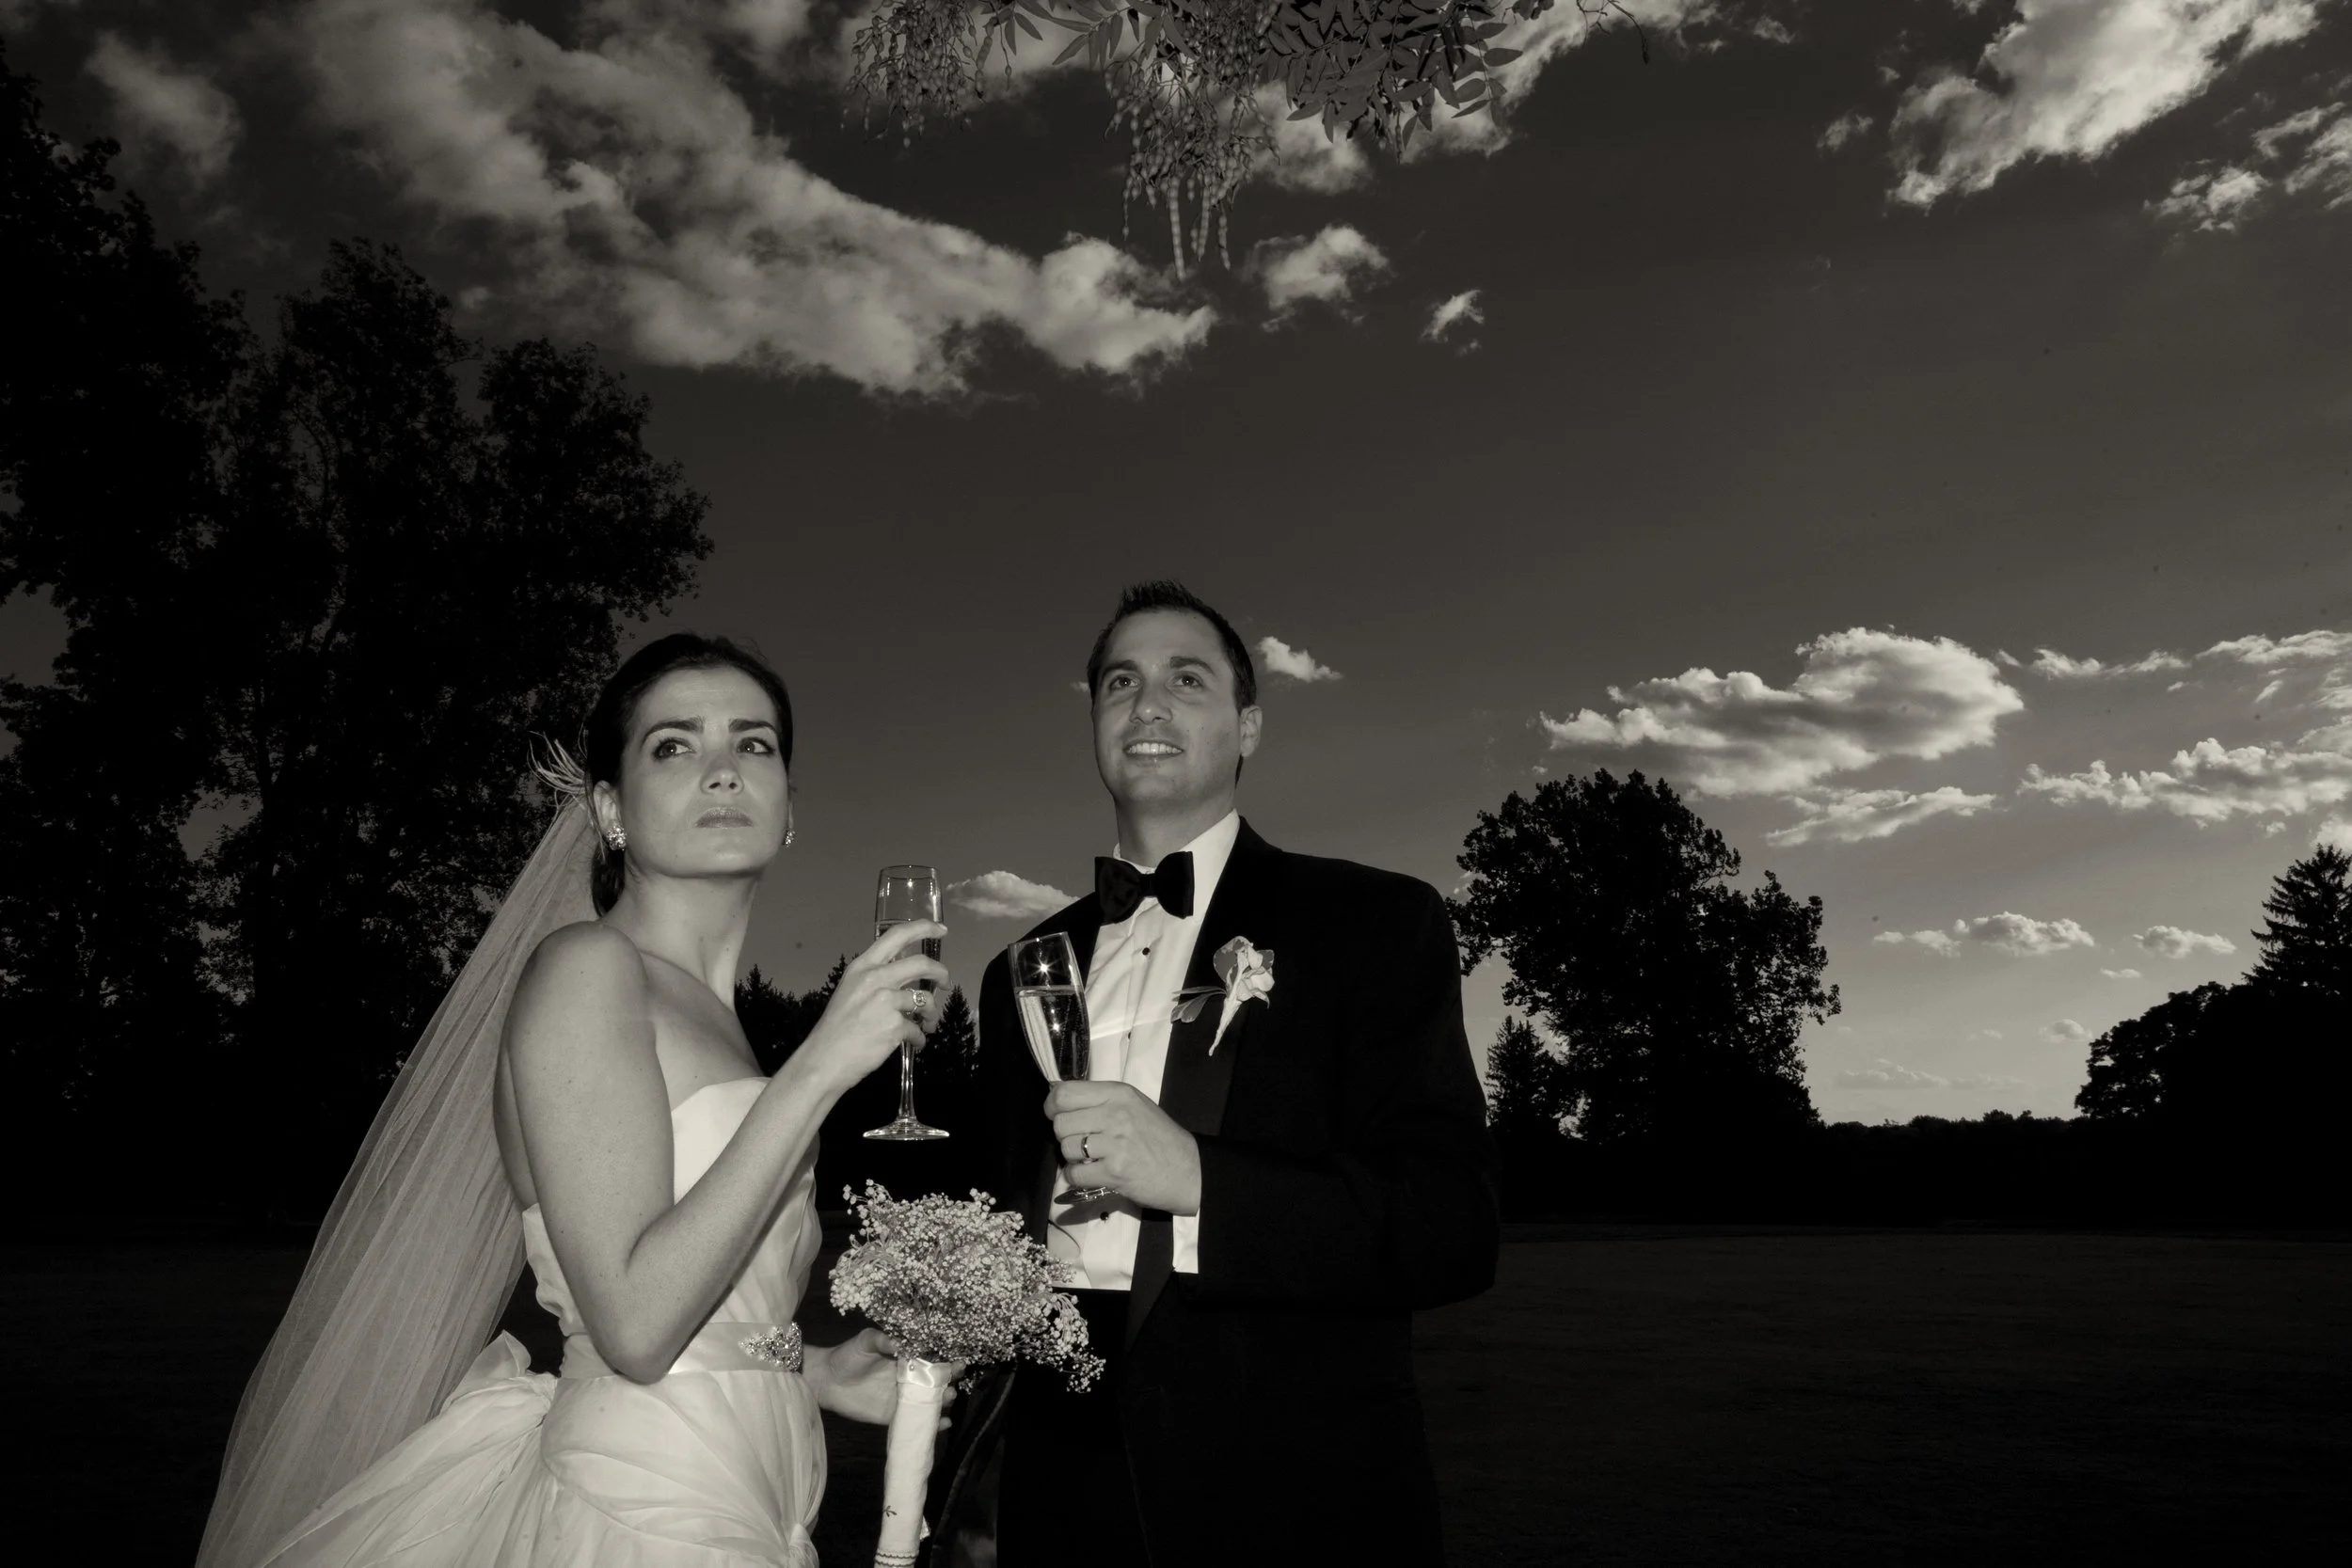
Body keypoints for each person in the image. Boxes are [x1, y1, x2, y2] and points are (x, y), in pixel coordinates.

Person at [198, 634, 949, 1567]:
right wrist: (819, 1068)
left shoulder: (715, 1020)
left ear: (790, 807)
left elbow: (717, 1306)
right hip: (640, 1511)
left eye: (754, 744)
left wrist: (817, 1364)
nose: (723, 769)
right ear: (608, 809)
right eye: (674, 746)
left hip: (752, 1491)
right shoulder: (587, 970)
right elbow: (633, 1324)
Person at [930, 582, 1500, 1566]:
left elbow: (1448, 1227)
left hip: (1280, 1490)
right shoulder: (1017, 964)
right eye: (1120, 682)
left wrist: (1199, 1179)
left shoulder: (1371, 923)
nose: (1146, 704)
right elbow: (999, 1213)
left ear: (1247, 727)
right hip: (1046, 1482)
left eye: (1184, 679)